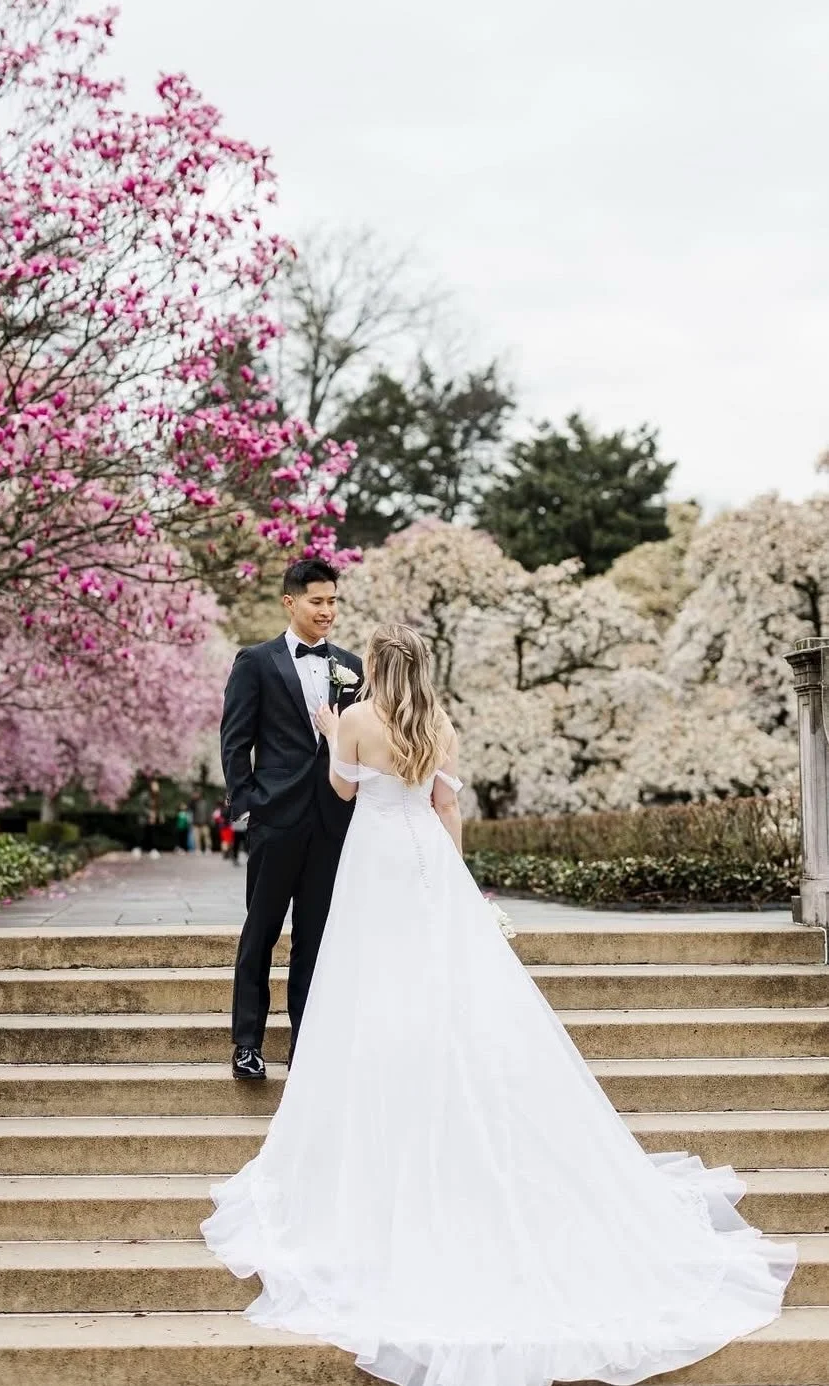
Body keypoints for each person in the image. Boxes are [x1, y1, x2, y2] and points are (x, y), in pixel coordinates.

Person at [202, 623, 795, 1386]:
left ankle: (390, 1084)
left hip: (374, 864)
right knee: (445, 983)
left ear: (376, 666)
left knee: (369, 982)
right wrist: (454, 883)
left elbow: (343, 792)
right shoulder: (440, 723)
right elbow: (447, 808)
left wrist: (327, 731)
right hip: (429, 861)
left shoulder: (354, 719)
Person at [219, 557, 363, 1081]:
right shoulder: (256, 662)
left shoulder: (352, 666)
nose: (327, 611)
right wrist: (249, 803)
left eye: (332, 601)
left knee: (315, 938)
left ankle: (306, 1045)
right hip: (275, 818)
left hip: (333, 821)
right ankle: (247, 1045)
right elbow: (235, 738)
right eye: (316, 601)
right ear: (290, 602)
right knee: (260, 931)